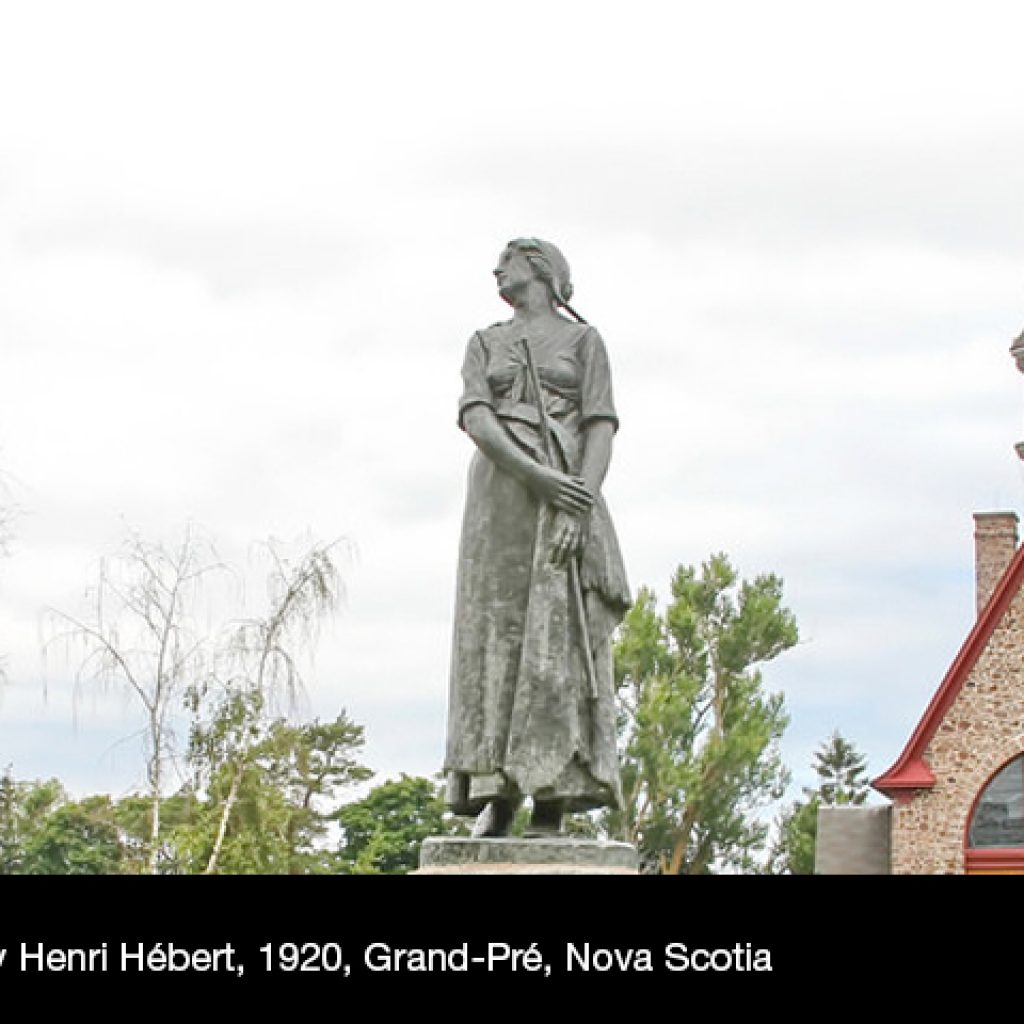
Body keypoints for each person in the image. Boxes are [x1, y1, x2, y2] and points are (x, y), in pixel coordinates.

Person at [443, 237, 631, 837]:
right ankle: (495, 794)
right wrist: (538, 477)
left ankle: (553, 798)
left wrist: (576, 499)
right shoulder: (484, 342)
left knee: (560, 645)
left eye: (510, 259)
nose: (496, 268)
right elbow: (476, 416)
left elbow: (600, 425)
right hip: (501, 499)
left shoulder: (584, 342)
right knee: (493, 639)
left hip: (568, 496)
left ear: (542, 270)